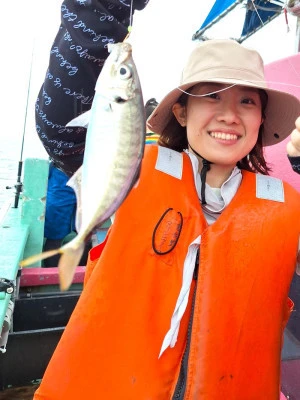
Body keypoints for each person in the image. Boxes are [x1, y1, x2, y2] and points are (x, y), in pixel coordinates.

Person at [33, 39, 300, 399]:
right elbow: (59, 128)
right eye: (213, 96)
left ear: (261, 119)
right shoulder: (131, 169)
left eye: (247, 101)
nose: (229, 115)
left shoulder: (287, 207)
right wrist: (93, 18)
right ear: (182, 112)